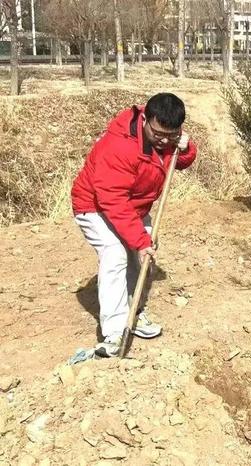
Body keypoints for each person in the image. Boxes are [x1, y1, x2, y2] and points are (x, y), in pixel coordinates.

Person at [71, 93, 197, 357]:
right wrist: (139, 241)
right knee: (115, 253)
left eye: (172, 135)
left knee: (142, 259)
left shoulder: (167, 137)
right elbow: (112, 200)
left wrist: (185, 148)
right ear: (146, 120)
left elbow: (177, 162)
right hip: (94, 206)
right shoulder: (119, 147)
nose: (164, 140)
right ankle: (115, 331)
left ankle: (134, 312)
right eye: (159, 134)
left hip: (135, 207)